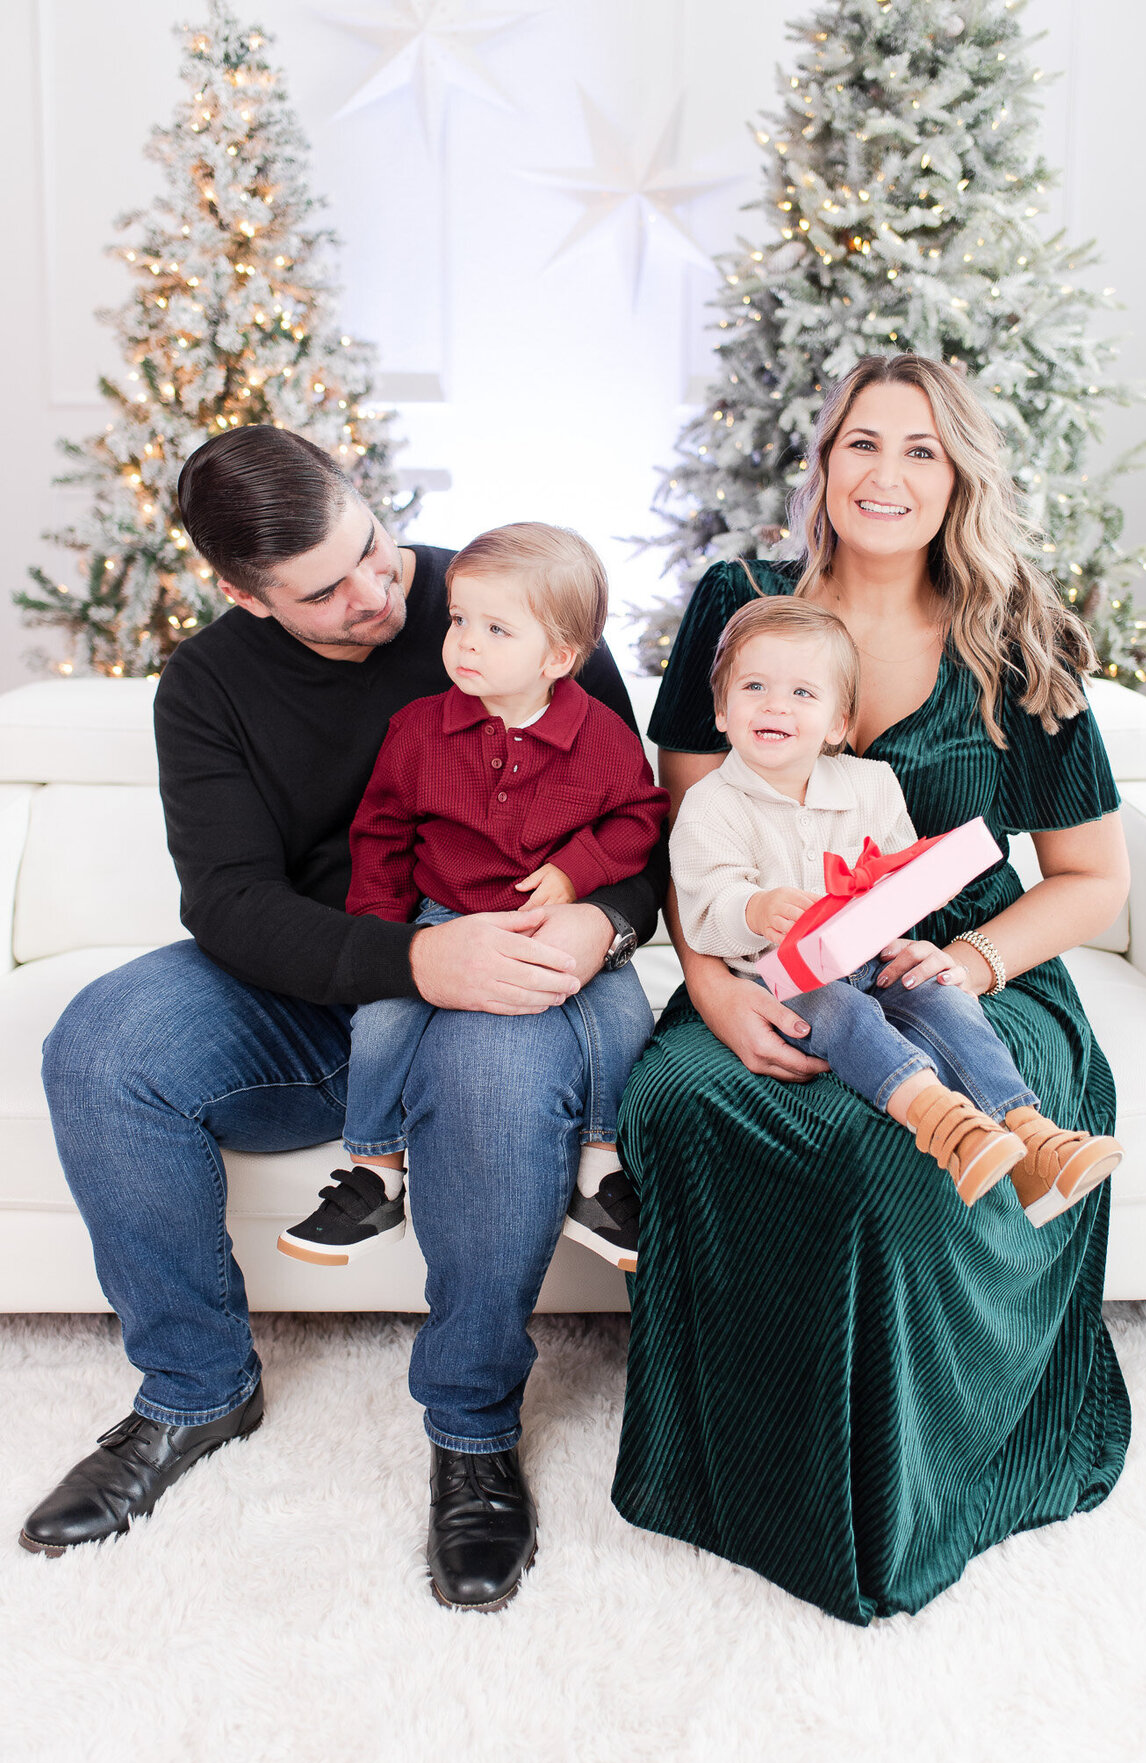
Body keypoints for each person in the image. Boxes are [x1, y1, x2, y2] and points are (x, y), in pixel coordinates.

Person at [20, 427, 667, 1616]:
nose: (379, 594)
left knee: (491, 1077)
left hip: (498, 975)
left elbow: (637, 820)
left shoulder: (501, 596)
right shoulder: (209, 687)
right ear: (242, 595)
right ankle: (192, 1389)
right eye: (326, 590)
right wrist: (413, 958)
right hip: (327, 986)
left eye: (374, 548)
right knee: (100, 1045)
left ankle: (472, 1431)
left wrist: (601, 925)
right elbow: (224, 902)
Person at [612, 354, 1132, 1624]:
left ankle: (918, 1492)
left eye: (920, 451)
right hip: (761, 961)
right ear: (823, 460)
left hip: (959, 968)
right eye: (861, 443)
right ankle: (736, 1475)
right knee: (689, 1103)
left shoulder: (1023, 636)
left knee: (898, 1168)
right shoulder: (741, 605)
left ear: (960, 477)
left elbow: (1092, 877)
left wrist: (973, 959)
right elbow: (688, 828)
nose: (885, 475)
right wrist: (715, 989)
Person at [277, 522, 666, 1273]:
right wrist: (386, 935)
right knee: (385, 1018)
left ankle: (601, 1171)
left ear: (557, 656)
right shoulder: (420, 729)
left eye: (495, 628)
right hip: (443, 917)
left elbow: (640, 817)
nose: (464, 643)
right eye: (459, 620)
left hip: (555, 922)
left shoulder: (605, 738)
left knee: (621, 1018)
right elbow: (382, 831)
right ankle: (374, 1174)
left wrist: (576, 874)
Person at [670, 593, 1123, 1220]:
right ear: (722, 710)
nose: (775, 704)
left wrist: (904, 919)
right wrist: (752, 908)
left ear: (838, 724)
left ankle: (1033, 1138)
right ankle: (946, 1126)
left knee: (941, 998)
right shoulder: (711, 804)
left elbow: (900, 876)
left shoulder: (871, 785)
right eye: (754, 686)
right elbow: (703, 903)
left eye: (803, 693)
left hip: (871, 952)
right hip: (781, 979)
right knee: (843, 1009)